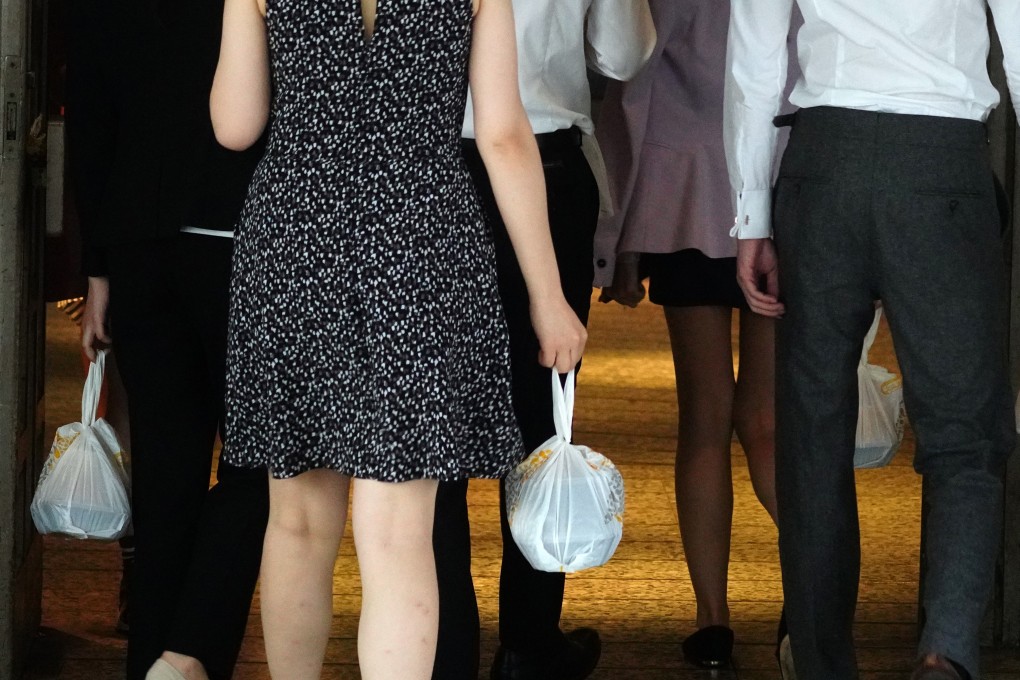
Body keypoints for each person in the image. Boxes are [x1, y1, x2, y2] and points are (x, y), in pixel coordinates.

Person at [209, 0, 588, 677]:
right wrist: (548, 294)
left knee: (295, 520)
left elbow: (235, 126)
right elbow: (502, 134)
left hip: (297, 237)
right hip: (420, 238)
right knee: (399, 536)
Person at [724, 1, 1019, 679]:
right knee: (963, 430)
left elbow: (756, 56)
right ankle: (945, 654)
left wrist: (751, 215)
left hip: (824, 160)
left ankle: (823, 663)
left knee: (813, 431)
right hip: (940, 161)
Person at [430, 3, 655, 679]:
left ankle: (442, 646)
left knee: (433, 427)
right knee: (539, 413)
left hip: (428, 172)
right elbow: (624, 53)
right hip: (544, 166)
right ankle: (528, 643)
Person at [67, 1, 271, 679]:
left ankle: (153, 660)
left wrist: (96, 270)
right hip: (244, 236)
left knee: (165, 474)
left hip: (139, 239)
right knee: (261, 464)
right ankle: (188, 652)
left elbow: (92, 122)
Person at [596, 0, 792, 670]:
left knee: (703, 417)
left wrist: (617, 234)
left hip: (683, 188)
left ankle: (712, 619)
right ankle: (815, 578)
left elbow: (634, 82)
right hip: (777, 182)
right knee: (765, 419)